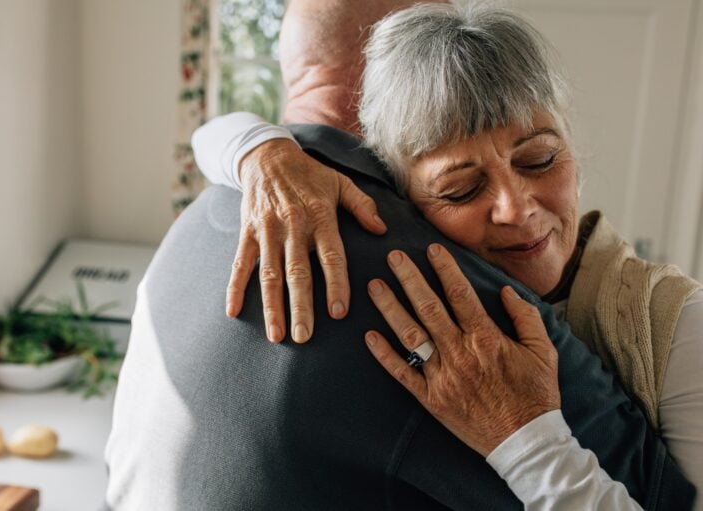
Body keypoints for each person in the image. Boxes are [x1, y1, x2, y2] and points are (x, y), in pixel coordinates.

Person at [104, 2, 696, 509]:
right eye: (461, 189)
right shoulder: (418, 285)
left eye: (540, 159)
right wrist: (254, 148)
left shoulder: (190, 228)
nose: (514, 208)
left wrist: (527, 436)